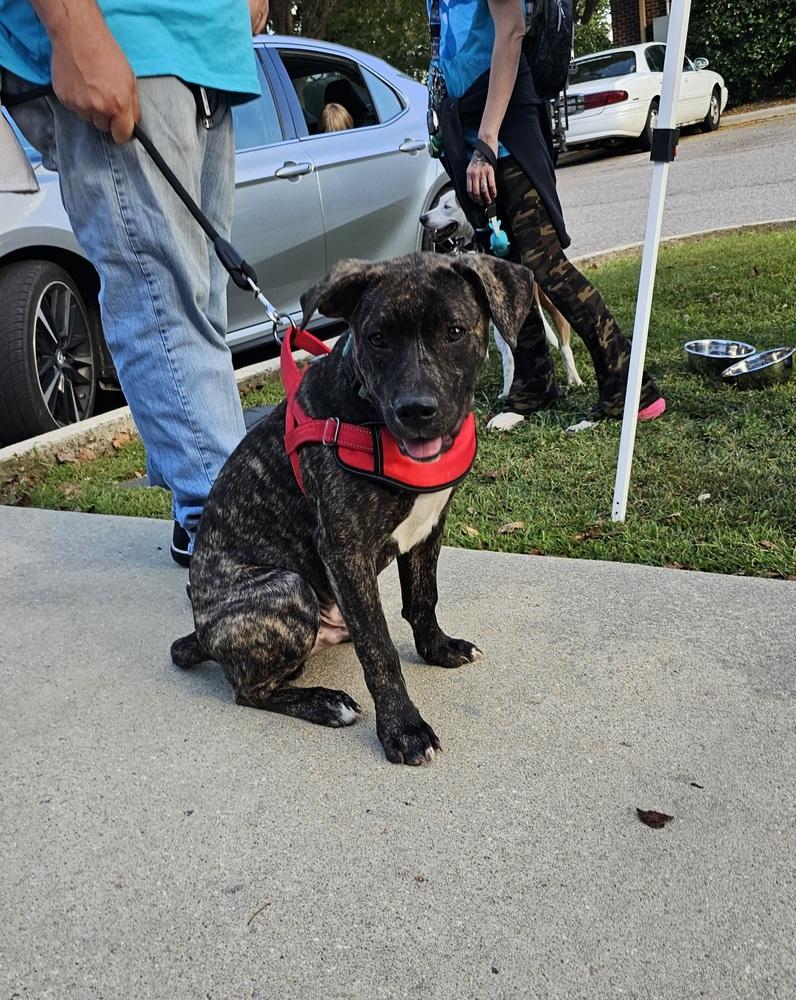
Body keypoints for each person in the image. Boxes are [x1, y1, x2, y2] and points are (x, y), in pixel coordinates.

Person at [0, 0, 269, 565]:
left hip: (205, 45)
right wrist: (73, 27)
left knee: (199, 302)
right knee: (159, 298)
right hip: (120, 35)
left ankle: (203, 520)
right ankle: (236, 545)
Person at [426, 0, 665, 429]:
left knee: (545, 266)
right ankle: (534, 383)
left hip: (505, 133)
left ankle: (630, 386)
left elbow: (511, 31)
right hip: (464, 131)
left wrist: (486, 143)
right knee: (503, 273)